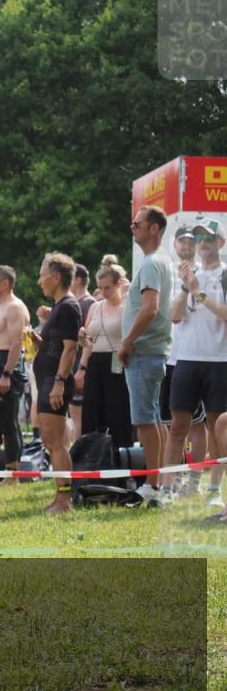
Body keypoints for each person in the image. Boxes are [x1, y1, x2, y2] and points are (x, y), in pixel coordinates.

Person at [165, 221, 227, 503]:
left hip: (219, 358)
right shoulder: (189, 273)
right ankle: (167, 488)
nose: (203, 242)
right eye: (200, 237)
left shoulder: (225, 274)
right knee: (178, 426)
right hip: (187, 358)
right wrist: (186, 288)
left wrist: (199, 293)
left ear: (221, 243)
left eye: (210, 238)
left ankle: (214, 490)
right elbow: (174, 316)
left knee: (216, 425)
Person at [118, 206, 175, 507]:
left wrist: (127, 341)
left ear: (154, 228)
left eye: (137, 223)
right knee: (153, 419)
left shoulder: (153, 262)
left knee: (144, 421)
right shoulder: (161, 261)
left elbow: (150, 308)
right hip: (152, 351)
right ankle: (160, 485)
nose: (133, 227)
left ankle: (153, 486)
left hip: (143, 351)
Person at [29, 253, 81, 514]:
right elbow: (56, 345)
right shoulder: (59, 307)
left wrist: (60, 382)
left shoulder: (69, 306)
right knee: (51, 441)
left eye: (42, 275)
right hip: (49, 379)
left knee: (56, 442)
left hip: (55, 382)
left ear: (57, 277)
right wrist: (37, 340)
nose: (39, 281)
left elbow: (71, 349)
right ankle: (59, 498)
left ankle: (64, 501)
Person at [77, 256, 133, 450]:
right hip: (95, 362)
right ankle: (92, 456)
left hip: (116, 361)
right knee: (92, 412)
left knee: (118, 412)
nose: (103, 292)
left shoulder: (126, 306)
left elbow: (130, 330)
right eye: (100, 288)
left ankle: (122, 457)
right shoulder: (95, 306)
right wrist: (81, 367)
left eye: (107, 288)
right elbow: (88, 342)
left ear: (118, 284)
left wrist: (127, 295)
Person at [0, 265, 30, 475]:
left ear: (5, 284)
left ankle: (13, 471)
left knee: (9, 420)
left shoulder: (14, 307)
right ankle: (6, 466)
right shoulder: (1, 306)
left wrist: (6, 374)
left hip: (8, 364)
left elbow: (17, 344)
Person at [68, 263, 97, 438]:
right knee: (73, 414)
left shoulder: (88, 304)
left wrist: (82, 368)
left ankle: (77, 458)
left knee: (78, 415)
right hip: (74, 367)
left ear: (77, 279)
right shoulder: (76, 302)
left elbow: (89, 340)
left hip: (82, 368)